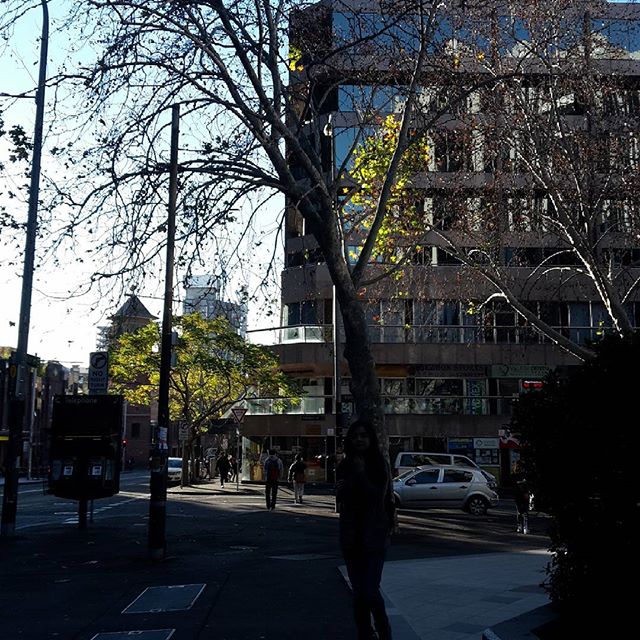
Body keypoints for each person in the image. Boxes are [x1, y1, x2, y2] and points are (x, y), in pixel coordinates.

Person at [336, 419, 394, 640]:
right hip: (351, 536)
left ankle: (384, 629)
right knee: (359, 593)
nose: (359, 440)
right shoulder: (345, 465)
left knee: (370, 589)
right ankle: (364, 633)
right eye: (355, 436)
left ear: (371, 439)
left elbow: (376, 498)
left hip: (375, 535)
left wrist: (360, 474)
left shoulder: (379, 465)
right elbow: (342, 499)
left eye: (364, 436)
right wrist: (341, 488)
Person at [512, 460, 530, 535]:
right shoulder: (519, 475)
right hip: (521, 494)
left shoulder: (515, 475)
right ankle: (523, 527)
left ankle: (521, 527)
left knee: (520, 511)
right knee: (523, 511)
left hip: (519, 495)